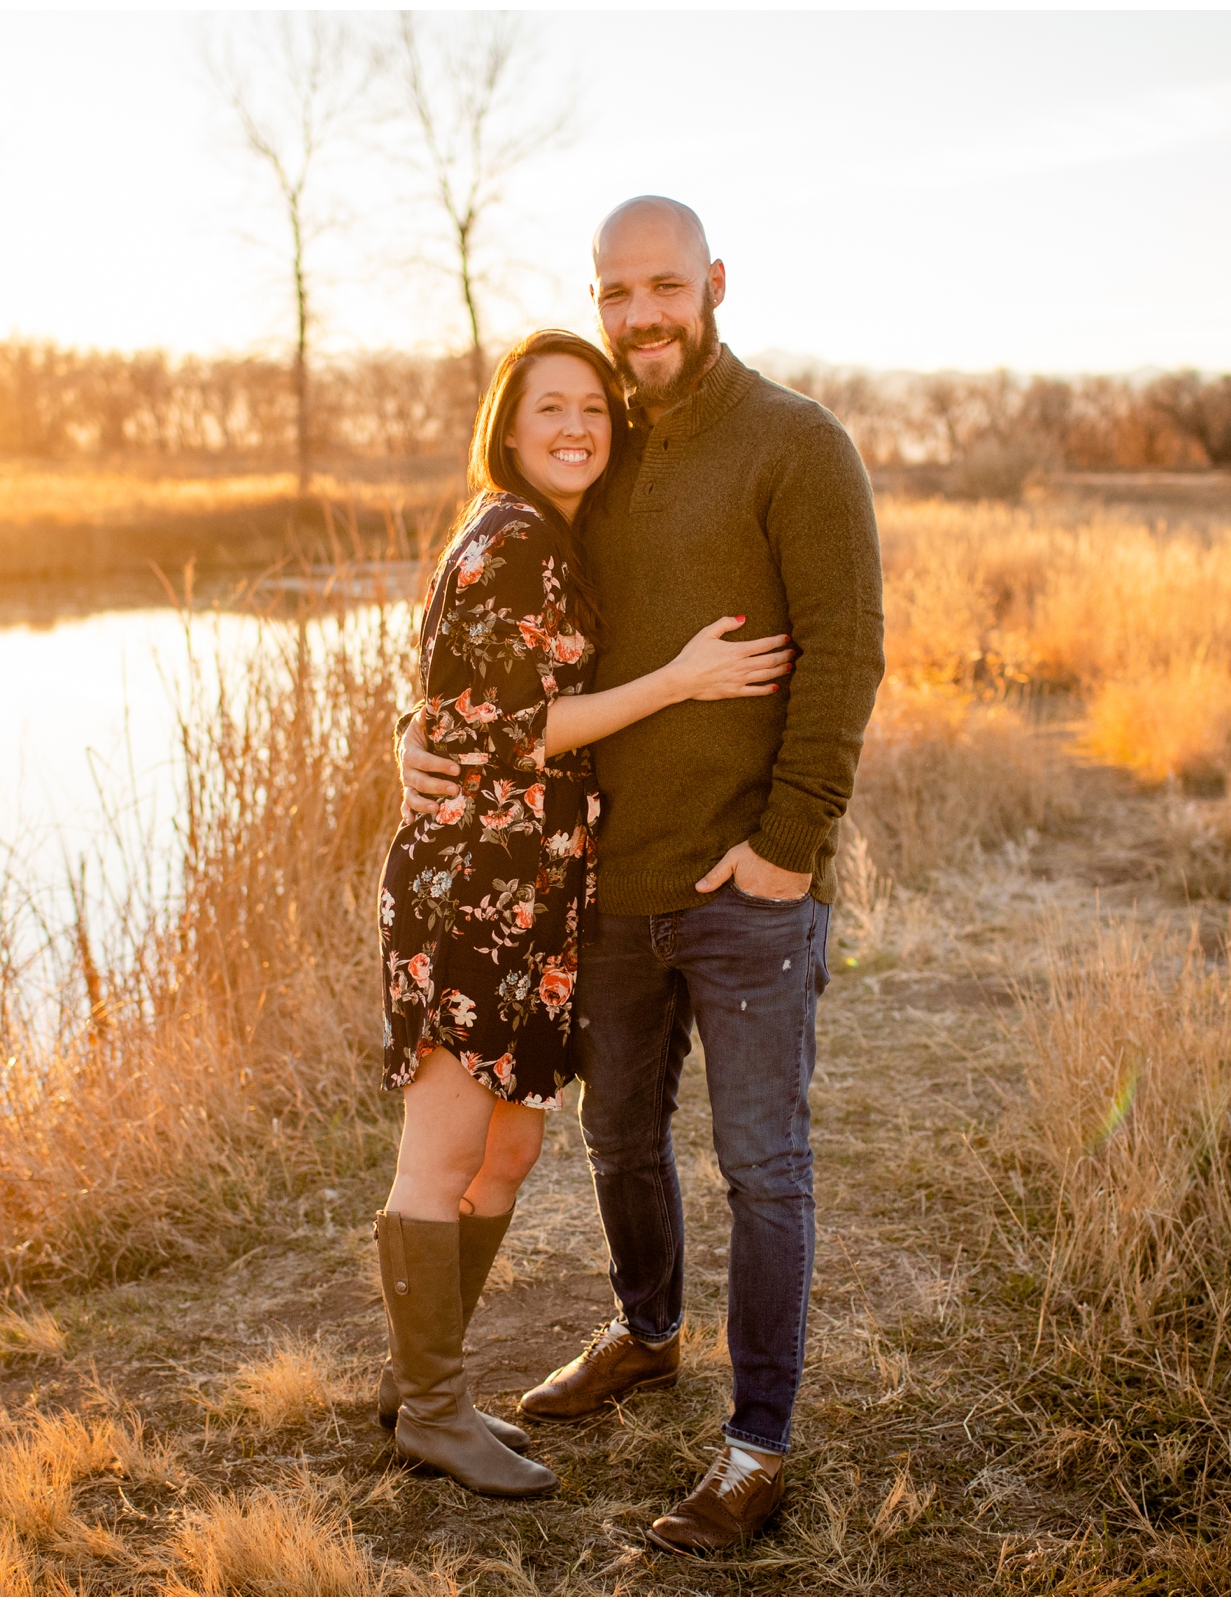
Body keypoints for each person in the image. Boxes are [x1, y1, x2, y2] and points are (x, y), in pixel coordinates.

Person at [400, 199, 885, 1552]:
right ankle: (648, 1330)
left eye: (664, 287)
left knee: (761, 1163)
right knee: (617, 1133)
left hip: (745, 885)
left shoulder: (798, 444)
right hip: (612, 882)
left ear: (714, 283)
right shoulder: (595, 462)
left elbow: (845, 659)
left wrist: (790, 845)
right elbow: (495, 653)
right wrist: (414, 736)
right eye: (618, 295)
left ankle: (755, 1443)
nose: (642, 317)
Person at [373, 327, 797, 1498]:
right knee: (448, 1151)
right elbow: (499, 725)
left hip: (530, 891)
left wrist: (416, 732)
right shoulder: (516, 538)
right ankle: (431, 1408)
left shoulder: (536, 539)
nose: (574, 427)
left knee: (507, 1146)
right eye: (549, 408)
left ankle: (429, 1381)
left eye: (593, 410)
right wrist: (680, 679)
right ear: (508, 427)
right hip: (475, 889)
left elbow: (450, 702)